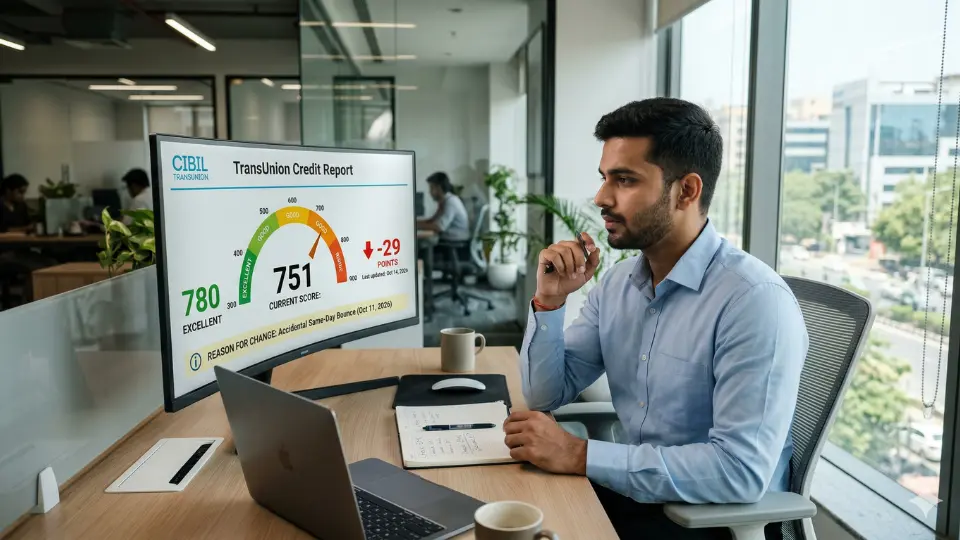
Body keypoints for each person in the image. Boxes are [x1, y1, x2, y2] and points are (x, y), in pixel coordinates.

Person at [504, 98, 808, 540]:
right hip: (639, 495)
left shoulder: (754, 302)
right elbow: (546, 394)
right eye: (605, 178)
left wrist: (578, 454)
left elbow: (739, 472)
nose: (601, 198)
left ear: (686, 190)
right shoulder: (619, 283)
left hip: (707, 520)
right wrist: (550, 302)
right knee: (509, 510)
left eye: (624, 180)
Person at [416, 172, 470, 241]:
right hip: (452, 237)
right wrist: (413, 223)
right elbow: (432, 221)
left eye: (431, 188)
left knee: (422, 244)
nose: (430, 192)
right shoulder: (445, 201)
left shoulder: (451, 202)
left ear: (439, 188)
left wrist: (416, 226)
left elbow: (439, 227)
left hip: (456, 239)